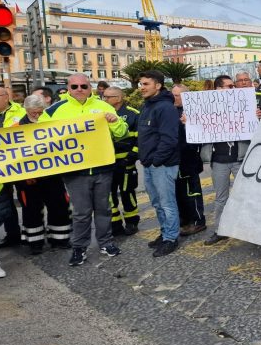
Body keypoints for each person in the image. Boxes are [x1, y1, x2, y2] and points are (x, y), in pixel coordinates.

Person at [39, 73, 128, 266]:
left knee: (104, 209)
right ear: (68, 88)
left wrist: (115, 122)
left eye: (84, 86)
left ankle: (106, 243)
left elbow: (122, 133)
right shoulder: (55, 110)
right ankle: (79, 248)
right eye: (75, 87)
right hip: (75, 173)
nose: (79, 90)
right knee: (81, 213)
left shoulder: (104, 106)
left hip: (103, 168)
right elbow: (39, 137)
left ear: (90, 88)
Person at [15, 95, 73, 254]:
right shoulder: (15, 128)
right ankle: (35, 243)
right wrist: (24, 177)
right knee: (31, 210)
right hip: (28, 180)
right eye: (33, 112)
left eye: (40, 112)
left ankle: (60, 239)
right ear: (26, 110)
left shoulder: (52, 124)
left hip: (52, 176)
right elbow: (13, 157)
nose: (37, 115)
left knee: (59, 206)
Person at [137, 70, 181, 258]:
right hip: (150, 164)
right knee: (157, 203)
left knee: (167, 203)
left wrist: (156, 161)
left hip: (161, 165)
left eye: (146, 84)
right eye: (140, 84)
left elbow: (169, 139)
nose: (141, 88)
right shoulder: (147, 105)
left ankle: (171, 238)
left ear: (158, 85)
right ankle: (165, 234)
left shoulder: (165, 107)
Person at [200, 75, 248, 245]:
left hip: (240, 158)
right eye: (229, 86)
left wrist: (256, 115)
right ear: (219, 89)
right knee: (221, 198)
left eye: (233, 86)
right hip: (219, 160)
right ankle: (220, 230)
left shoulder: (242, 104)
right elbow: (197, 127)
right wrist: (188, 122)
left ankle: (251, 230)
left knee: (248, 195)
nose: (233, 88)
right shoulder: (207, 107)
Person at [0, 87, 26, 278]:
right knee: (4, 203)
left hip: (21, 165)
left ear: (6, 97)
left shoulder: (20, 111)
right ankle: (12, 234)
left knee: (26, 199)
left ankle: (28, 234)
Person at [102, 87, 140, 236]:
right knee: (109, 195)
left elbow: (140, 138)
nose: (104, 100)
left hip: (125, 163)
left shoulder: (133, 114)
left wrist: (132, 156)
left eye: (108, 97)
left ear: (118, 98)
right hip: (106, 163)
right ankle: (115, 224)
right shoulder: (99, 113)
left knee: (127, 193)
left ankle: (132, 222)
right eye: (103, 97)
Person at [171, 84, 206, 236]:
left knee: (192, 193)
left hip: (189, 160)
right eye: (173, 94)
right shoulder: (171, 111)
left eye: (177, 95)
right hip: (175, 160)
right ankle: (184, 220)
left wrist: (188, 126)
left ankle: (198, 221)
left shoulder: (194, 112)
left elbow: (200, 136)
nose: (174, 98)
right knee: (179, 193)